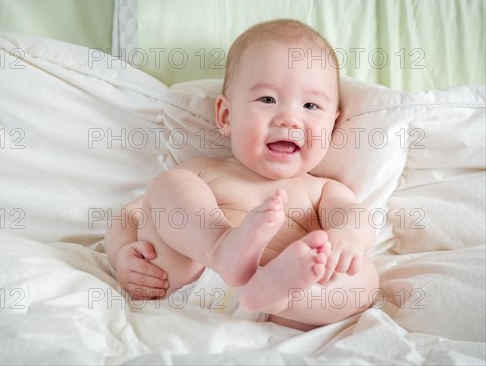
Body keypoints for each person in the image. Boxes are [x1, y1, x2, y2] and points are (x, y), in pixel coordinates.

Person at [105, 19, 379, 330]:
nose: (289, 118)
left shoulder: (322, 190)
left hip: (283, 306)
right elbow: (130, 216)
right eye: (267, 99)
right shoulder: (203, 172)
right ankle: (222, 246)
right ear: (226, 115)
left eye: (311, 105)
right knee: (167, 185)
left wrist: (347, 238)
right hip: (190, 280)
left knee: (365, 277)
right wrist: (122, 254)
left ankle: (278, 292)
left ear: (332, 125)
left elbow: (354, 215)